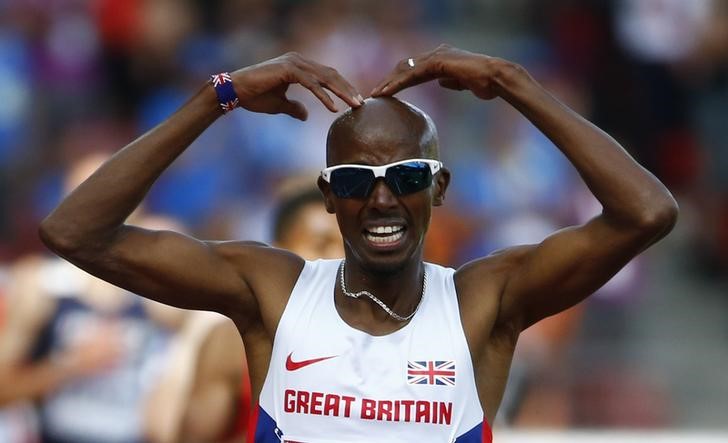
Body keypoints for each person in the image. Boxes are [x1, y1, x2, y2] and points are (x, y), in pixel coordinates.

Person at [39, 46, 678, 442]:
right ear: (326, 194)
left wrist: (514, 83)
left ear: (440, 187)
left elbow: (645, 212)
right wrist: (220, 96)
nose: (380, 200)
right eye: (354, 181)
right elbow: (75, 231)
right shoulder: (273, 291)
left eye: (406, 177)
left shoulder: (485, 301)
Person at [0, 153, 189, 443]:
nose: (99, 208)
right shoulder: (43, 287)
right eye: (87, 193)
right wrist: (70, 366)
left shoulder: (163, 297)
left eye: (114, 192)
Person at [147, 187, 343, 443]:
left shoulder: (386, 338)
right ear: (279, 253)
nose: (338, 258)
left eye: (347, 246)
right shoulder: (233, 342)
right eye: (320, 245)